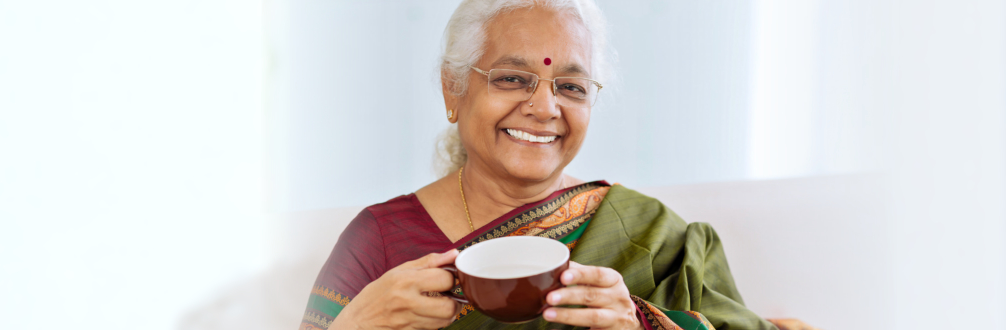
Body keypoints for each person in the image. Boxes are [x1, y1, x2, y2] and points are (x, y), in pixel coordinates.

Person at [301, 1, 783, 329]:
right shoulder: (378, 240)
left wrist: (640, 322)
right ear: (454, 89)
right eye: (512, 79)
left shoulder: (650, 235)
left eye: (571, 87)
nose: (545, 107)